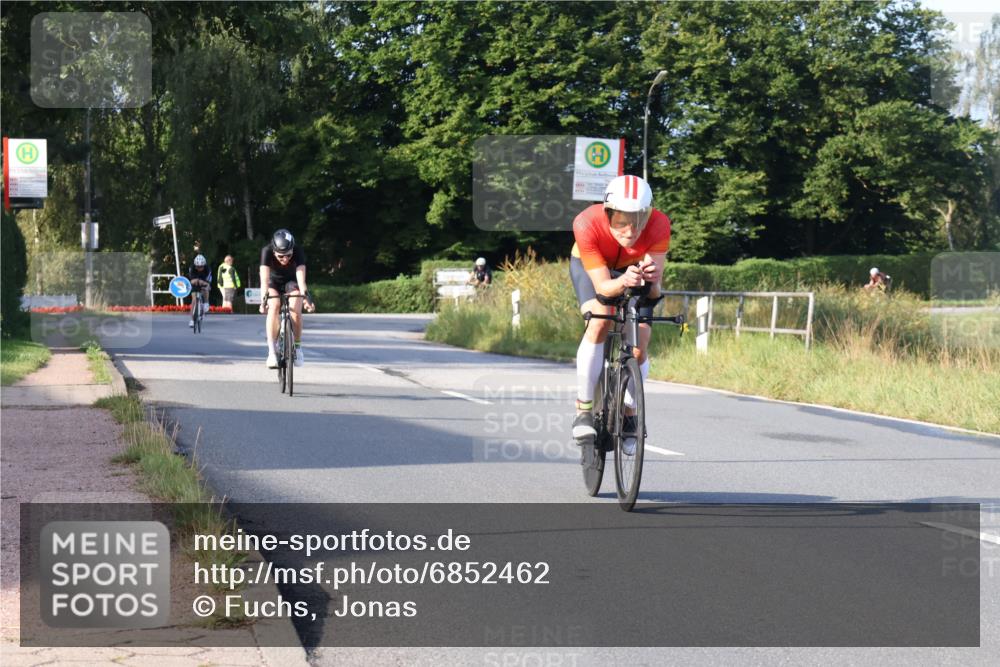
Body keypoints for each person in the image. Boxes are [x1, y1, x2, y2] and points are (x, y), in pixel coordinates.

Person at [569, 175, 671, 455]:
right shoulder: (586, 223)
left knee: (640, 344)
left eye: (638, 220)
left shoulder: (660, 224)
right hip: (593, 269)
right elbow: (603, 287)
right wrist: (623, 281)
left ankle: (629, 412)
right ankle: (584, 409)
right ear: (607, 214)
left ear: (648, 215)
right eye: (620, 222)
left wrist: (651, 281)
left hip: (633, 270)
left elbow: (653, 292)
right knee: (600, 319)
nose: (629, 231)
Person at [259, 229, 314, 368]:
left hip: (291, 282)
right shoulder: (266, 251)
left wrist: (307, 298)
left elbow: (301, 280)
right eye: (280, 256)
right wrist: (263, 301)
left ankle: (298, 347)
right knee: (274, 306)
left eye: (288, 255)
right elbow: (264, 280)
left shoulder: (298, 251)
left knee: (295, 309)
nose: (285, 259)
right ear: (274, 251)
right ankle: (272, 352)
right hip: (273, 282)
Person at [187, 254, 212, 328]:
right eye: (197, 267)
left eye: (201, 267)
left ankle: (206, 302)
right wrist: (196, 281)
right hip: (195, 282)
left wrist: (205, 284)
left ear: (204, 265)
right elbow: (191, 281)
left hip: (204, 280)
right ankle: (192, 320)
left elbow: (208, 282)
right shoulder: (192, 268)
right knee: (194, 300)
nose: (199, 268)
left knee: (206, 289)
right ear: (195, 265)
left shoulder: (207, 269)